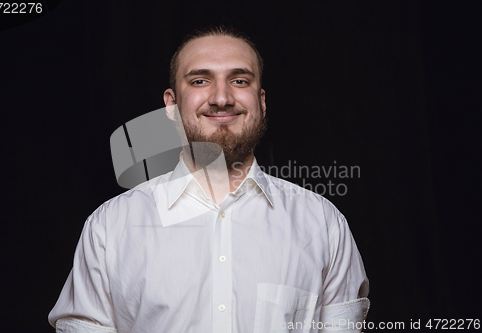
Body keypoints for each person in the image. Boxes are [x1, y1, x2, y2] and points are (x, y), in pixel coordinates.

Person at [48, 25, 370, 333]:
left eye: (240, 81)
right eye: (200, 81)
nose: (221, 98)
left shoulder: (323, 224)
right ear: (171, 106)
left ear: (261, 102)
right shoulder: (109, 228)